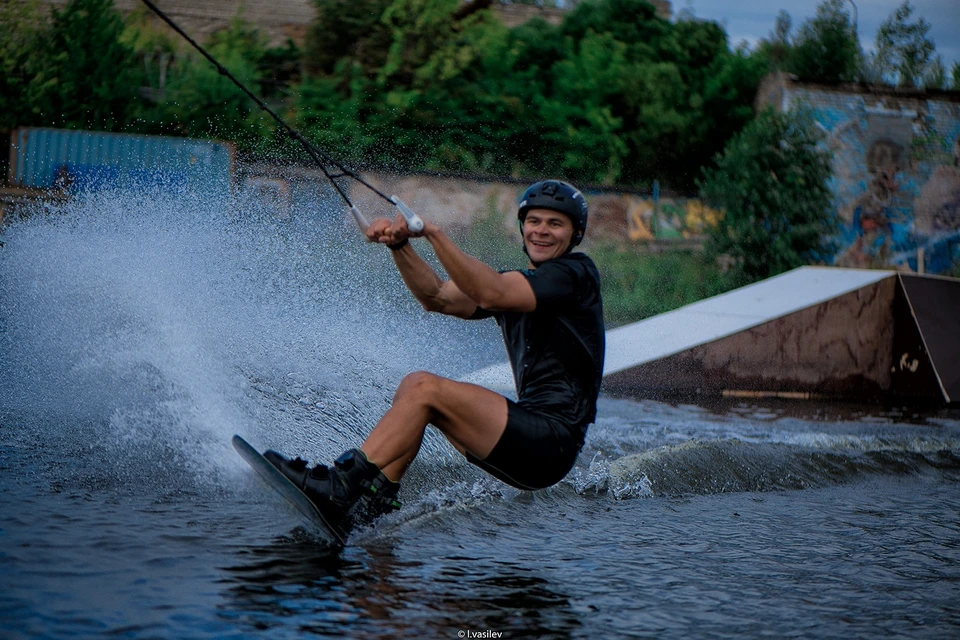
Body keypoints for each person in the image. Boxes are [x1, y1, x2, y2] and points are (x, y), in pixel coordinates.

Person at [264, 180, 605, 538]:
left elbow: (489, 292)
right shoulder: (519, 286)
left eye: (555, 224)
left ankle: (339, 487)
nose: (542, 231)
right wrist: (400, 246)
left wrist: (435, 234)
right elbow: (437, 296)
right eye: (534, 221)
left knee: (425, 388)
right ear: (523, 227)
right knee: (416, 392)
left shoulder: (576, 275)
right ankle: (372, 504)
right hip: (529, 442)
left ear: (575, 233)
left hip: (552, 441)